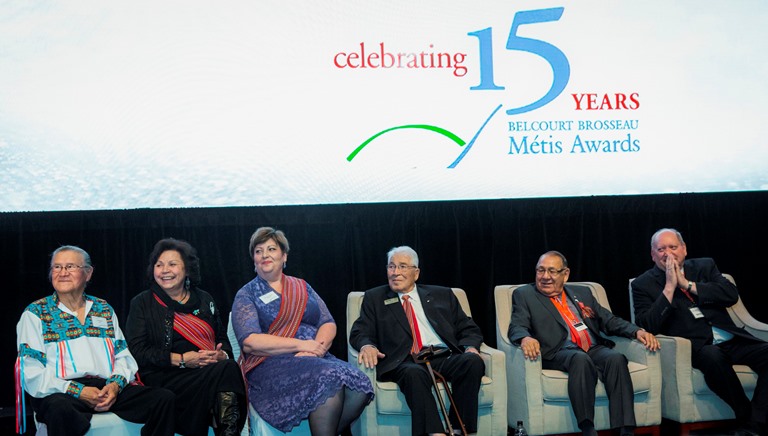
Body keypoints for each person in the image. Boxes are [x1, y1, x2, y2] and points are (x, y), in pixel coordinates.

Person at [15, 245, 175, 436]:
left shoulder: (103, 308)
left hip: (105, 386)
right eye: (57, 267)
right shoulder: (36, 313)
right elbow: (30, 371)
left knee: (163, 399)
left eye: (70, 267)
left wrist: (115, 386)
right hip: (61, 391)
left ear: (88, 273)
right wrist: (77, 390)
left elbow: (123, 356)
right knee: (59, 409)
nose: (62, 273)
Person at [231, 226, 373, 435]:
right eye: (258, 251)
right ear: (253, 259)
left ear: (284, 256)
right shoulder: (246, 294)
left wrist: (316, 349)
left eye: (271, 249)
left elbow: (327, 323)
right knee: (329, 376)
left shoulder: (302, 286)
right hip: (270, 364)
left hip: (315, 357)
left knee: (360, 384)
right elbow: (250, 342)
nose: (264, 255)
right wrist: (301, 345)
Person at [632, 228, 768, 436]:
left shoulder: (705, 266)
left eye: (673, 247)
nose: (667, 253)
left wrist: (688, 284)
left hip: (730, 338)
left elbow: (730, 295)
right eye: (661, 249)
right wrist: (669, 288)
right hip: (695, 346)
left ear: (684, 249)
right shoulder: (643, 284)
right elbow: (647, 325)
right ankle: (749, 418)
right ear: (653, 255)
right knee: (712, 356)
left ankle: (755, 423)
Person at [508, 250, 659, 436]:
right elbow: (517, 324)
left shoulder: (583, 293)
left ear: (565, 274)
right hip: (557, 351)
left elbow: (608, 320)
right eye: (540, 270)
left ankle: (625, 429)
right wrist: (525, 337)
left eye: (552, 271)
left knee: (616, 359)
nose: (545, 276)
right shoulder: (524, 294)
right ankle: (587, 428)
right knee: (580, 359)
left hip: (591, 347)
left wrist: (637, 331)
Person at [349, 245, 485, 436]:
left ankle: (458, 428)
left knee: (472, 361)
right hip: (404, 361)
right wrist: (367, 345)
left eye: (403, 267)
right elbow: (359, 331)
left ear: (416, 273)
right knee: (415, 374)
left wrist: (471, 347)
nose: (395, 272)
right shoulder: (375, 298)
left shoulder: (442, 295)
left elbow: (468, 328)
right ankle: (435, 433)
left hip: (441, 355)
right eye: (391, 267)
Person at [126, 238, 246, 436]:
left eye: (172, 264)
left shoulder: (205, 299)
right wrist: (181, 360)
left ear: (187, 270)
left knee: (227, 366)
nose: (165, 270)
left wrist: (221, 355)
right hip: (164, 376)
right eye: (159, 265)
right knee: (225, 373)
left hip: (207, 372)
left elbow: (222, 340)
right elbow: (137, 352)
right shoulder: (142, 303)